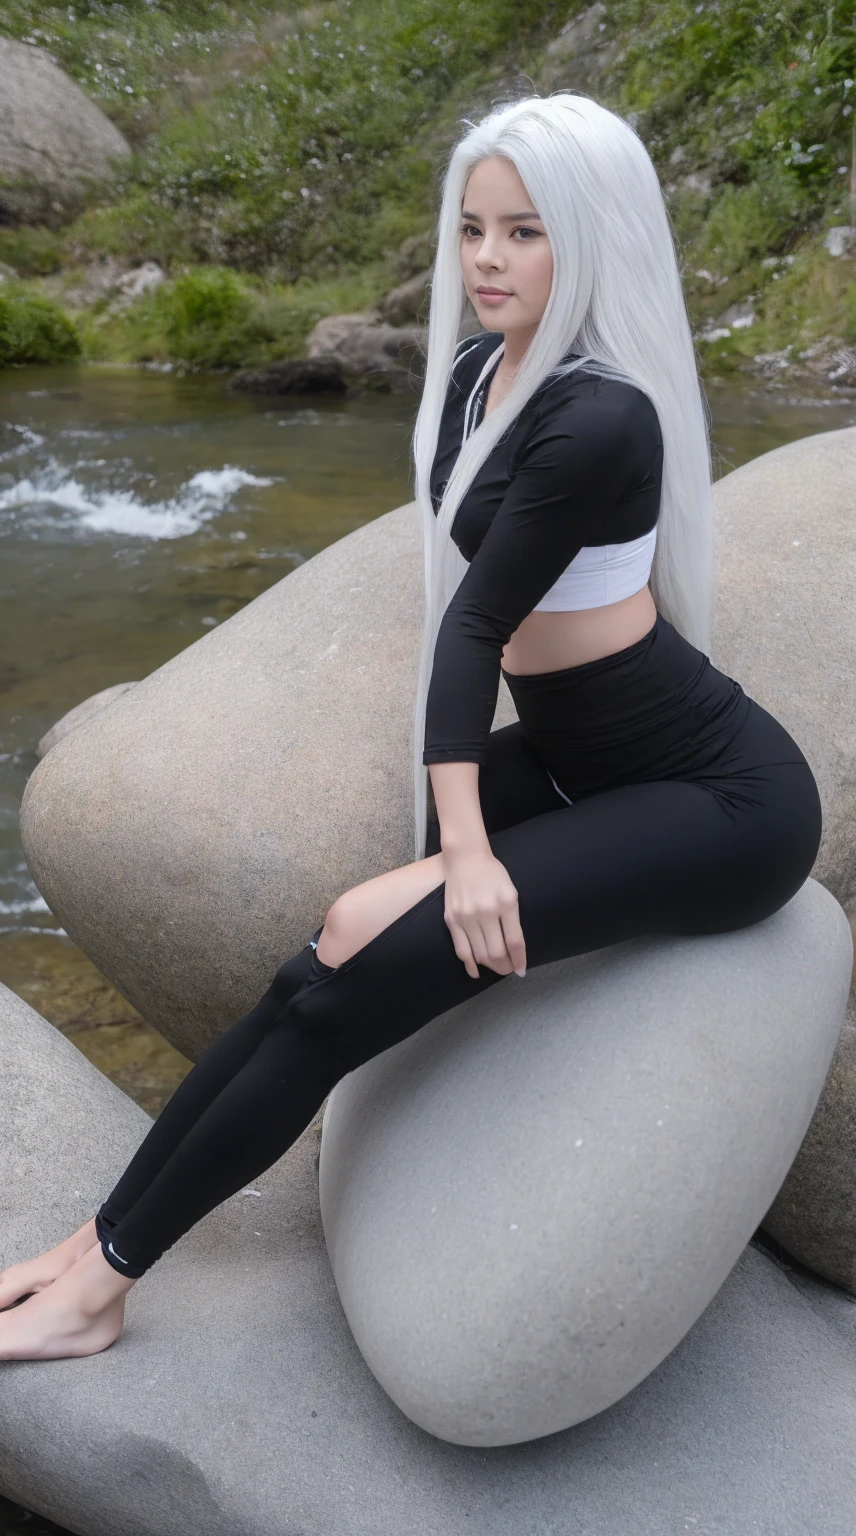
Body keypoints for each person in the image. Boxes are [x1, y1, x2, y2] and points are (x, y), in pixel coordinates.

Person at [0, 92, 822, 1361]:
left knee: (356, 969)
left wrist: (466, 851)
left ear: (593, 238)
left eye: (525, 233)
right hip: (575, 761)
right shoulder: (482, 374)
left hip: (717, 805)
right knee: (322, 953)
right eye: (472, 229)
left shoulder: (604, 414)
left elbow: (474, 629)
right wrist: (464, 840)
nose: (486, 260)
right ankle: (85, 1246)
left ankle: (104, 1286)